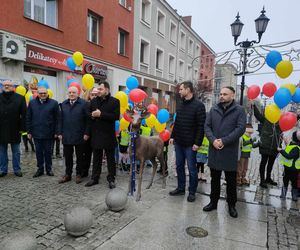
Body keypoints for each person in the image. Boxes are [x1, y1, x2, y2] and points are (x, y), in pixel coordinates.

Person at [203, 86, 246, 218]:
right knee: (214, 179)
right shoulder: (214, 109)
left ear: (232, 95)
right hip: (214, 150)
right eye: (221, 94)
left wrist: (224, 141)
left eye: (225, 94)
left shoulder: (239, 110)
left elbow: (240, 129)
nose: (222, 96)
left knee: (231, 181)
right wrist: (213, 140)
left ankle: (231, 205)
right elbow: (207, 126)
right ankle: (213, 202)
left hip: (229, 151)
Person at [169, 81, 206, 202]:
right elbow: (177, 123)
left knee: (191, 169)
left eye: (181, 89)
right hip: (179, 142)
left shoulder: (199, 106)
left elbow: (201, 126)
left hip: (191, 144)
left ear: (188, 90)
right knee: (179, 166)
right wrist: (172, 136)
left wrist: (197, 143)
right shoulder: (180, 104)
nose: (179, 91)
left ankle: (192, 192)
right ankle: (180, 188)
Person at [85, 81, 120, 189]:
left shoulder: (115, 101)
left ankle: (111, 179)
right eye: (98, 89)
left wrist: (101, 114)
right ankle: (95, 178)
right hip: (96, 134)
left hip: (108, 134)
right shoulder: (94, 101)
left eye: (100, 89)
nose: (98, 91)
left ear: (107, 90)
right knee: (96, 158)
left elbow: (115, 116)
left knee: (110, 159)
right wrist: (92, 115)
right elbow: (88, 115)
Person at [58, 86, 89, 184]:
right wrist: (59, 132)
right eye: (70, 92)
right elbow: (60, 120)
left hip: (80, 135)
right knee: (68, 157)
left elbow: (88, 120)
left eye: (73, 92)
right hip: (66, 135)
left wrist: (86, 133)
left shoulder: (84, 104)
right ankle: (68, 174)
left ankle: (79, 174)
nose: (71, 94)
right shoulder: (63, 104)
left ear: (78, 93)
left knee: (80, 157)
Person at [27, 86, 59, 177]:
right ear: (37, 94)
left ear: (47, 93)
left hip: (49, 133)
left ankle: (49, 169)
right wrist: (29, 131)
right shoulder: (32, 103)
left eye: (44, 93)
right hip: (36, 133)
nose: (43, 95)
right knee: (38, 152)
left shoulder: (54, 103)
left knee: (48, 152)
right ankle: (40, 169)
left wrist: (57, 131)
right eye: (41, 93)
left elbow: (58, 119)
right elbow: (28, 118)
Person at [0, 81, 27, 177]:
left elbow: (24, 115)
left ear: (13, 87)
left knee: (16, 151)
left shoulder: (20, 98)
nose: (6, 86)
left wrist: (23, 129)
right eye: (5, 85)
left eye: (9, 85)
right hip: (1, 129)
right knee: (2, 151)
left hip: (15, 129)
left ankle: (17, 169)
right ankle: (3, 170)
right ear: (2, 87)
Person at [253, 104, 281, 188]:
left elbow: (289, 121)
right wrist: (254, 105)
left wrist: (297, 117)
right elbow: (257, 115)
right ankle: (262, 180)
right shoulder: (265, 120)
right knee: (263, 163)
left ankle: (268, 178)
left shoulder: (279, 122)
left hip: (274, 147)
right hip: (265, 145)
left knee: (271, 164)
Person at [278, 131, 300, 201]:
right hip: (287, 168)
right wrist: (283, 138)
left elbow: (289, 156)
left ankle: (294, 195)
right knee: (285, 181)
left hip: (294, 169)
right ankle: (283, 194)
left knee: (294, 183)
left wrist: (281, 151)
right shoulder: (292, 144)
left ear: (293, 138)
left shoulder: (296, 148)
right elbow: (287, 144)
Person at [81, 87, 99, 177]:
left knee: (97, 155)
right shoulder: (87, 105)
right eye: (93, 95)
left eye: (96, 95)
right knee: (86, 154)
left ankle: (96, 174)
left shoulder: (101, 104)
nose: (94, 96)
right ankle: (85, 171)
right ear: (89, 95)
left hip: (98, 134)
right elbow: (88, 119)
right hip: (88, 134)